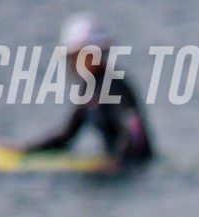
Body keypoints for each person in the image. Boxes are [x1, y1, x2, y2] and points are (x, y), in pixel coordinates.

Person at [21, 15, 153, 172]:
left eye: (75, 55)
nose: (72, 63)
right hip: (116, 170)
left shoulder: (114, 86)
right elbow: (67, 135)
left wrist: (116, 164)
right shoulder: (88, 89)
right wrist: (25, 150)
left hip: (135, 172)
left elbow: (136, 133)